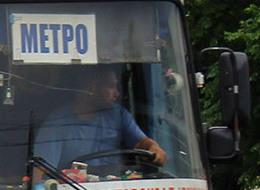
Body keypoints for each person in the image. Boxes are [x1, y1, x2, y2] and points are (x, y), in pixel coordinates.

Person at [34, 63, 166, 175]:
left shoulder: (118, 114)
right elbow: (41, 173)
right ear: (91, 89)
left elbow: (141, 143)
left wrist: (154, 148)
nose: (117, 93)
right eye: (111, 86)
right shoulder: (57, 123)